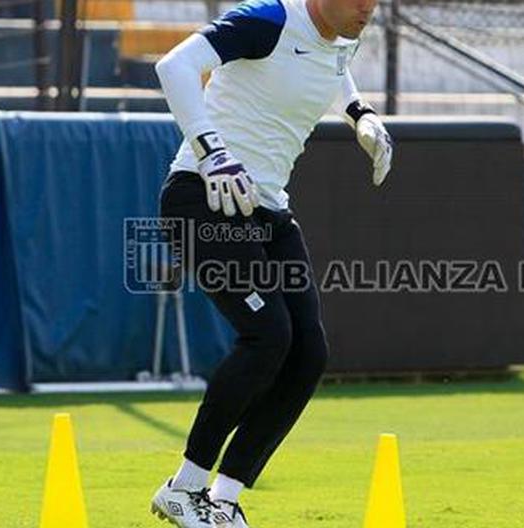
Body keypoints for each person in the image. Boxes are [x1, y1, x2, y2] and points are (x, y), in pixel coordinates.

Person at [150, 0, 392, 526]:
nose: (367, 10)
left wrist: (360, 114)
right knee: (268, 335)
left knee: (307, 353)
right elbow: (174, 66)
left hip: (266, 209)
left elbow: (335, 65)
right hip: (202, 200)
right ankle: (184, 488)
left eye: (374, 1)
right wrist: (211, 150)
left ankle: (224, 497)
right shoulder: (268, 20)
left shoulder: (342, 33)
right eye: (359, 0)